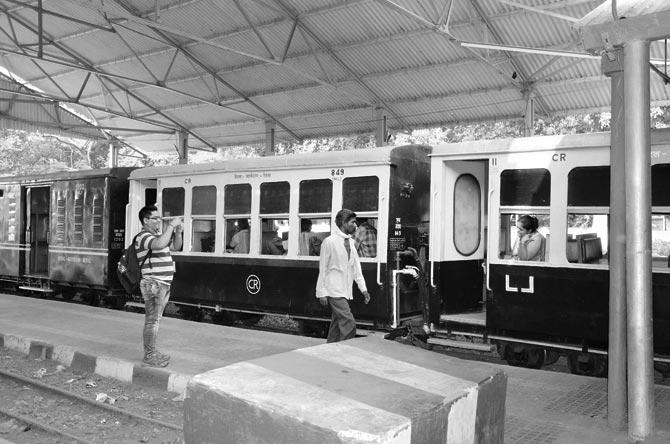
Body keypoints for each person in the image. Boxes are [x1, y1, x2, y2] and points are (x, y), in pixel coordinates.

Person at [136, 205, 183, 367]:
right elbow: (158, 244)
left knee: (155, 320)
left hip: (162, 284)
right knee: (152, 321)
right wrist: (170, 226)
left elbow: (176, 246)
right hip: (153, 284)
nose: (158, 221)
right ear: (146, 220)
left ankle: (152, 352)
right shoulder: (143, 237)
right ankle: (149, 355)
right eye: (155, 218)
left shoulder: (157, 236)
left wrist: (177, 232)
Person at [316, 209, 371, 342]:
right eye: (352, 222)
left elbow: (356, 268)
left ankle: (330, 349)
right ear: (343, 223)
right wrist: (321, 292)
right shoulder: (329, 242)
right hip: (333, 290)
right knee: (348, 322)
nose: (355, 225)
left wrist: (363, 289)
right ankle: (345, 350)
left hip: (344, 289)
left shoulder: (351, 243)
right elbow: (322, 268)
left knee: (337, 324)